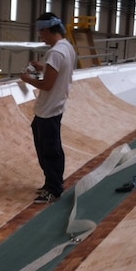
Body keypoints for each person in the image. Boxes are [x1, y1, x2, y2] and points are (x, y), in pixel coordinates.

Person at [19, 12, 77, 204]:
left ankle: (53, 188)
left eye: (40, 32)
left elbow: (47, 85)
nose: (39, 36)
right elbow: (58, 71)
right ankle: (52, 182)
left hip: (49, 108)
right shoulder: (66, 47)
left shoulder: (55, 52)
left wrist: (28, 79)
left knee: (49, 150)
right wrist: (42, 67)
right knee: (47, 145)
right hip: (54, 106)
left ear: (46, 30)